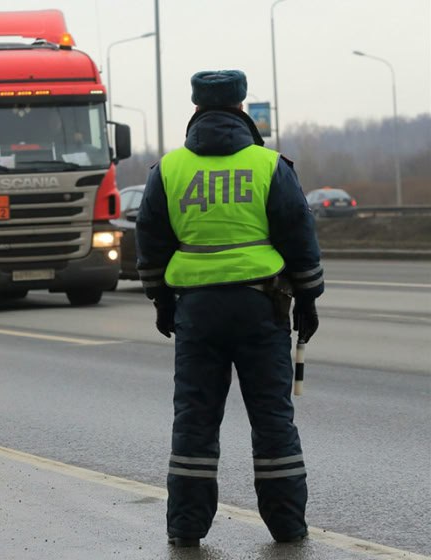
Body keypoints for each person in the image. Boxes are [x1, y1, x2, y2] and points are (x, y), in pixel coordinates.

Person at [135, 70, 323, 548]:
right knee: (272, 419)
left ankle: (185, 529)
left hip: (196, 312)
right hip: (262, 308)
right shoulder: (269, 166)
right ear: (242, 109)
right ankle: (287, 527)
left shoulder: (169, 169)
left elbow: (151, 241)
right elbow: (298, 234)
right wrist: (308, 298)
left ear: (195, 110)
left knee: (195, 420)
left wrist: (160, 300)